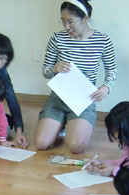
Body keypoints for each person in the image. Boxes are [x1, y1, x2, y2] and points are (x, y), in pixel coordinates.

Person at [34, 0, 116, 154]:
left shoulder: (103, 40)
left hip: (83, 101)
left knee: (76, 147)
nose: (66, 27)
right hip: (57, 101)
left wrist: (106, 88)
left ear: (85, 18)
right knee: (41, 143)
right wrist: (55, 69)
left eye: (71, 22)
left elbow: (112, 71)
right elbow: (45, 71)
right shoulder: (57, 38)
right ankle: (61, 125)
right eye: (63, 21)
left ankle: (71, 127)